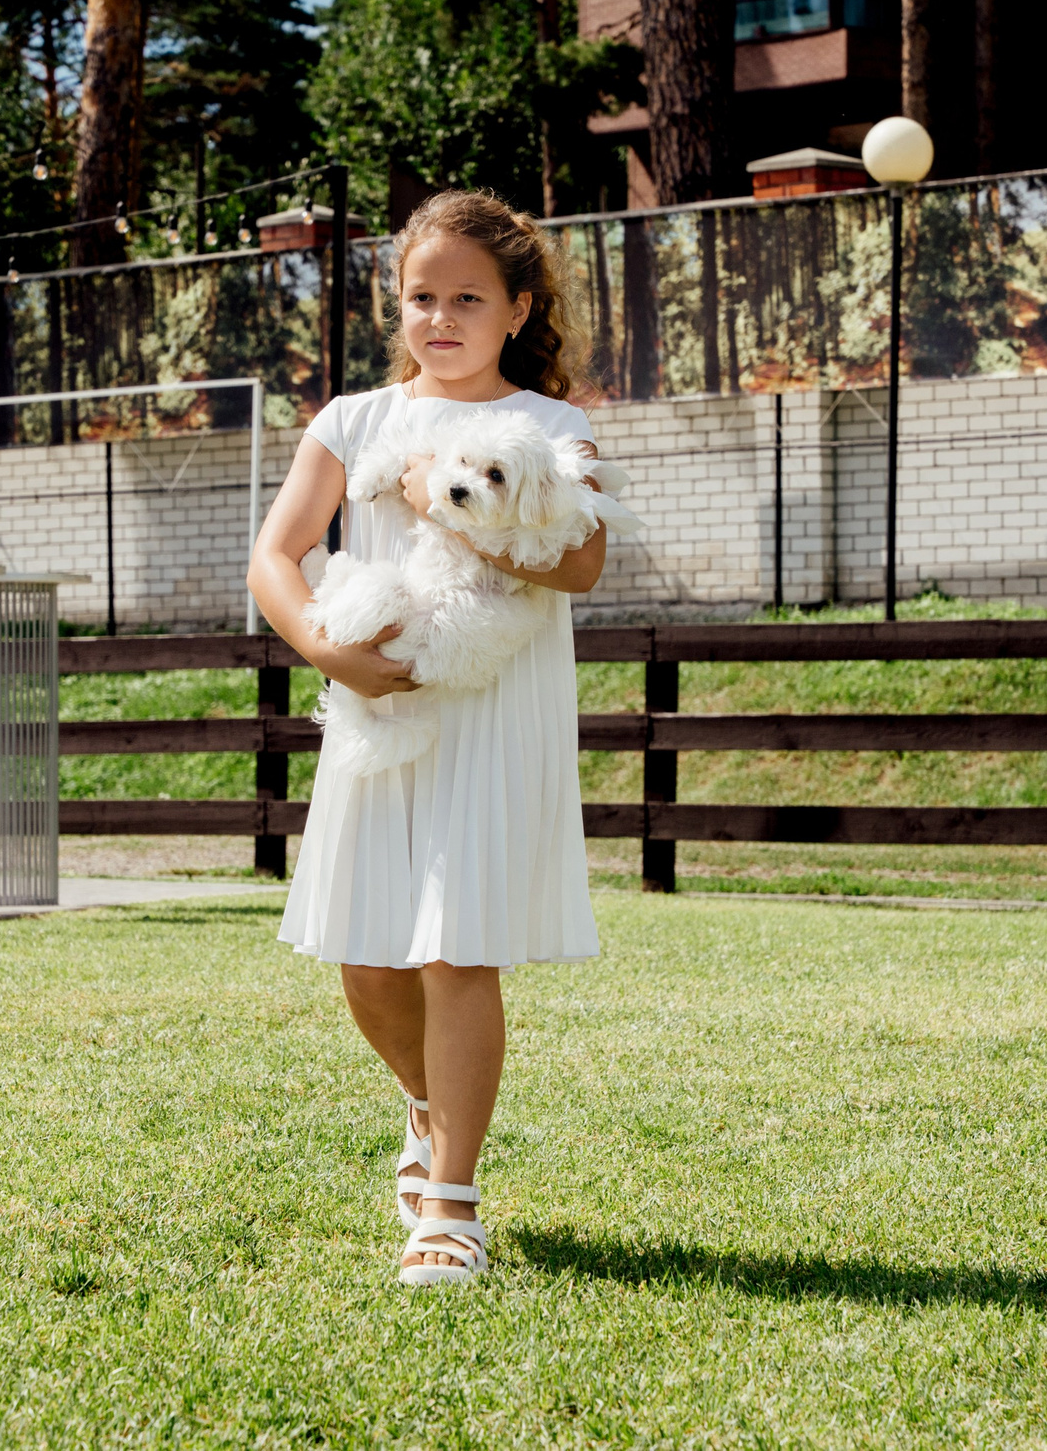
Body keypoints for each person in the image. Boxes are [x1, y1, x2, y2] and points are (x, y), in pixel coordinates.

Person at [246, 189, 612, 1288]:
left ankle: (449, 1205)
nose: (440, 316)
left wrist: (435, 498)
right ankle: (422, 1102)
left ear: (517, 308)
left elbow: (581, 565)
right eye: (420, 296)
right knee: (366, 952)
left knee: (457, 946)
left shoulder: (549, 429)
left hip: (496, 715)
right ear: (394, 305)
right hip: (376, 713)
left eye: (467, 297)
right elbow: (278, 554)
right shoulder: (350, 422)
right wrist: (323, 644)